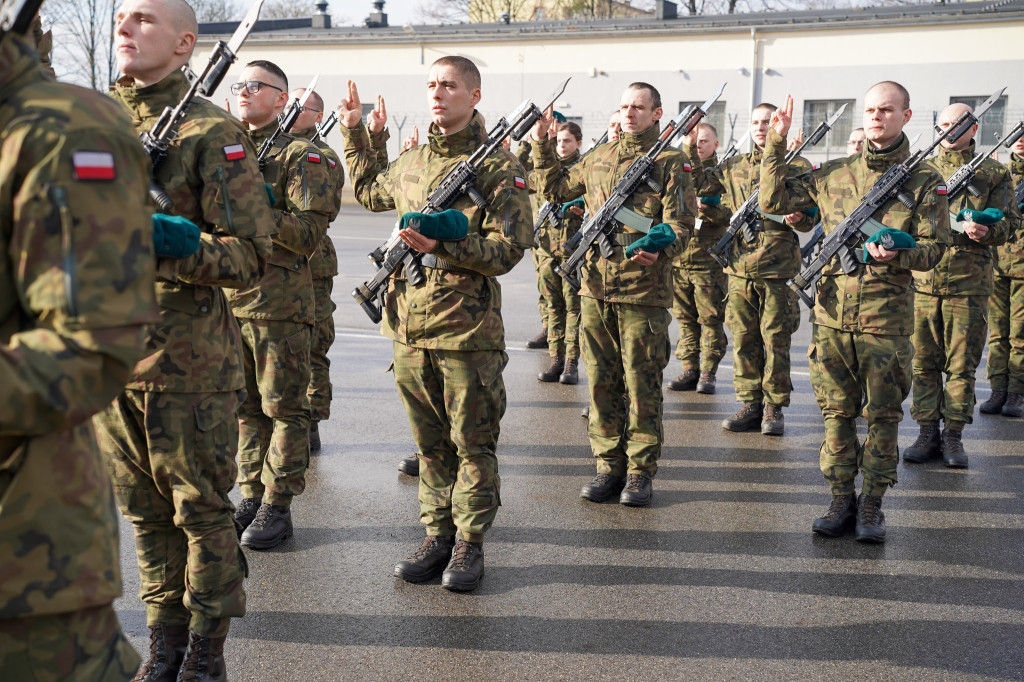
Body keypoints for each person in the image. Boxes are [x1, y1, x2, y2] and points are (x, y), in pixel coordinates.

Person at [94, 1, 275, 678]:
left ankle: (205, 649)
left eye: (142, 17)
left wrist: (175, 244)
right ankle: (164, 639)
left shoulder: (212, 132)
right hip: (111, 358)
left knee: (200, 516)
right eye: (122, 16)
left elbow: (251, 255)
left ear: (184, 42)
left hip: (186, 364)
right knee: (143, 516)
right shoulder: (94, 125)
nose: (124, 27)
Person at [0, 15, 157, 680]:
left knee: (183, 504)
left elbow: (91, 350)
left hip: (22, 561)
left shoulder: (62, 128)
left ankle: (195, 642)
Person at [338, 56, 532, 591]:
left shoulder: (498, 167)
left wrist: (448, 243)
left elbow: (509, 249)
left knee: (472, 442)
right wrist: (356, 133)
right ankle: (436, 534)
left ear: (473, 94)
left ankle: (470, 543)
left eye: (449, 85)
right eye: (431, 85)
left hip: (467, 334)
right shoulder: (413, 160)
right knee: (428, 446)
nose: (437, 93)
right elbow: (372, 191)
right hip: (408, 330)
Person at [758, 82, 950, 543]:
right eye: (870, 110)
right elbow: (772, 201)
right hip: (830, 318)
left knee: (883, 415)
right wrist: (776, 144)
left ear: (906, 116)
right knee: (836, 414)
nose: (876, 117)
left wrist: (898, 253)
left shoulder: (925, 180)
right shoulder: (834, 174)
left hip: (886, 322)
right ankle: (841, 496)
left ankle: (872, 505)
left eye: (887, 110)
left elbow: (936, 250)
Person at [532, 82, 697, 507]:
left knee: (641, 385)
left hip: (644, 292)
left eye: (639, 107)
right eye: (624, 106)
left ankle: (640, 471)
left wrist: (660, 243)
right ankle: (608, 464)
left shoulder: (671, 161)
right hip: (595, 289)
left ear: (656, 113)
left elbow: (682, 224)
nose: (629, 114)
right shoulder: (598, 156)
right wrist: (543, 144)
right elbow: (554, 188)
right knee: (602, 384)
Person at [230, 59, 333, 549]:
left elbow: (309, 234)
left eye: (256, 85)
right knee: (246, 410)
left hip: (279, 303)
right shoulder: (224, 151)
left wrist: (256, 206)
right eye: (239, 85)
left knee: (285, 410)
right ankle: (250, 494)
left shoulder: (303, 157)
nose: (244, 92)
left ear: (280, 99)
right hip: (230, 300)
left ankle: (278, 504)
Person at [685, 102, 813, 436]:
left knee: (776, 341)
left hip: (777, 269)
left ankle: (773, 407)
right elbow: (702, 185)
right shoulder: (734, 166)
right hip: (739, 269)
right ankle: (750, 402)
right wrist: (689, 145)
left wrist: (800, 218)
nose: (760, 127)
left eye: (767, 121)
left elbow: (811, 214)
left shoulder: (797, 165)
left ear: (779, 124)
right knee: (743, 339)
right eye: (755, 121)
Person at [903, 103, 1016, 467]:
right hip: (922, 282)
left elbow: (1010, 224)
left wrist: (987, 231)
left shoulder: (994, 172)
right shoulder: (919, 170)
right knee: (922, 364)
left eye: (959, 124)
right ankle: (926, 432)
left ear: (974, 128)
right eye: (944, 124)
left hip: (970, 284)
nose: (949, 130)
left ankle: (953, 435)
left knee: (962, 366)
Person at [291, 87, 345, 454]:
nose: (291, 111)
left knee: (313, 344)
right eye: (289, 104)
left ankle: (310, 421)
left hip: (312, 262)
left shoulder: (322, 156)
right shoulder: (270, 146)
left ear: (317, 114)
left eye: (301, 106)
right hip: (271, 260)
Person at [668, 122, 731, 394]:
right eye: (695, 142)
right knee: (684, 318)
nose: (699, 145)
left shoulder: (724, 174)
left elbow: (733, 212)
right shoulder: (680, 172)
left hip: (708, 262)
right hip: (680, 259)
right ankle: (689, 368)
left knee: (710, 318)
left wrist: (708, 209)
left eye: (704, 141)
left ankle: (708, 372)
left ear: (716, 144)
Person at [531, 120, 585, 384]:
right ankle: (556, 359)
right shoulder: (546, 170)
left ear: (578, 143)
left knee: (573, 306)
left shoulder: (583, 169)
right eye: (559, 141)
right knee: (553, 306)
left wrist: (583, 209)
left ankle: (572, 363)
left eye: (567, 141)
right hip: (546, 250)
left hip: (572, 250)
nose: (562, 146)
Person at [981, 133, 1024, 418]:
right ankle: (998, 389)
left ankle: (1016, 392)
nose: (1020, 141)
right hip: (996, 264)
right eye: (1019, 136)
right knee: (997, 332)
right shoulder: (999, 173)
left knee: (1020, 334)